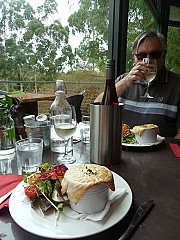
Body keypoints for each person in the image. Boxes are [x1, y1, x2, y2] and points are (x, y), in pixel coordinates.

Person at [95, 30, 180, 139]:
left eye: (155, 55)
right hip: (124, 148)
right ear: (134, 58)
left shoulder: (177, 85)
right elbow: (97, 107)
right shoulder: (123, 80)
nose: (148, 61)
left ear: (163, 55)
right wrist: (125, 83)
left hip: (160, 152)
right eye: (141, 56)